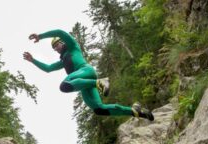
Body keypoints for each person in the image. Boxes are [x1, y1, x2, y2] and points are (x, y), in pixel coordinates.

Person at [23, 29, 154, 121]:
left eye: (57, 44)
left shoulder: (72, 46)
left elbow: (59, 32)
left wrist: (40, 36)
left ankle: (100, 83)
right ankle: (136, 111)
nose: (56, 48)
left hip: (86, 71)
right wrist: (33, 60)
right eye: (54, 48)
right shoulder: (63, 60)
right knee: (99, 109)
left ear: (63, 42)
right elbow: (48, 68)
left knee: (64, 86)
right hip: (85, 83)